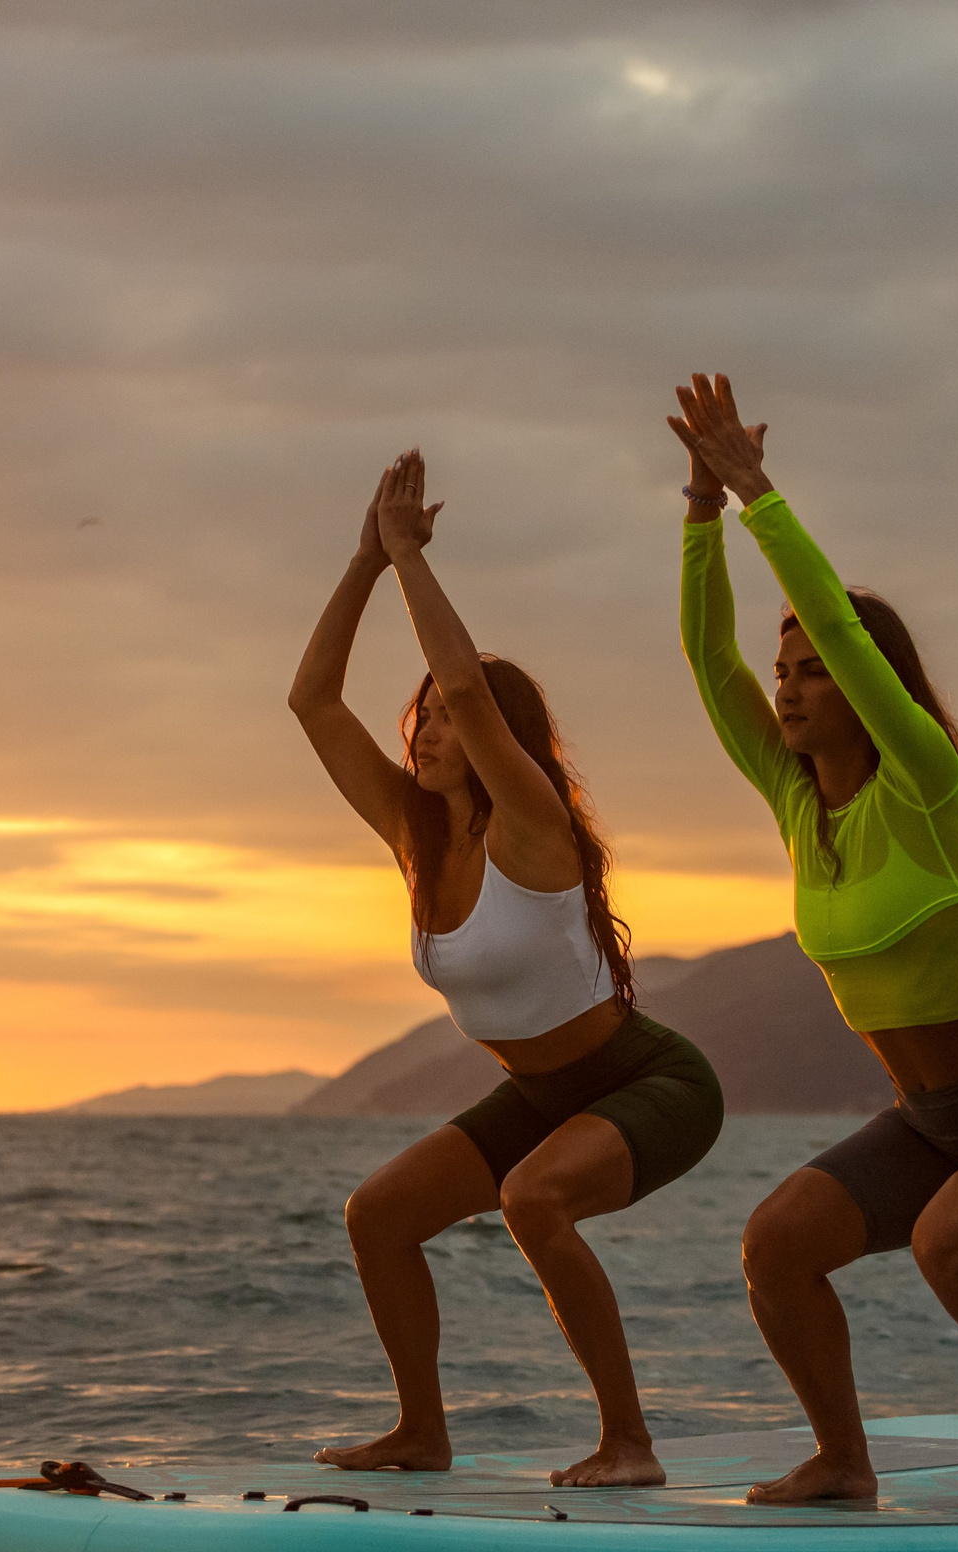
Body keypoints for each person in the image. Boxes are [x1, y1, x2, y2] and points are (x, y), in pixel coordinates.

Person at [665, 374, 958, 1516]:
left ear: (867, 684)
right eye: (780, 675)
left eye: (811, 670)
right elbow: (703, 658)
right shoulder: (795, 806)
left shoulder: (918, 784)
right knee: (775, 1243)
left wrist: (759, 495)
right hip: (928, 1124)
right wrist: (696, 515)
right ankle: (842, 1463)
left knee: (950, 1245)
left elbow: (833, 617)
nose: (786, 687)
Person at [289, 449, 726, 1489]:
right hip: (535, 1093)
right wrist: (362, 564)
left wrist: (409, 561)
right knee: (379, 1213)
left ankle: (630, 1444)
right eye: (423, 717)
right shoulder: (413, 834)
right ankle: (420, 1433)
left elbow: (472, 693)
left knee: (535, 1201)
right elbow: (311, 701)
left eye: (449, 715)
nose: (432, 726)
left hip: (649, 1082)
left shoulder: (531, 826)